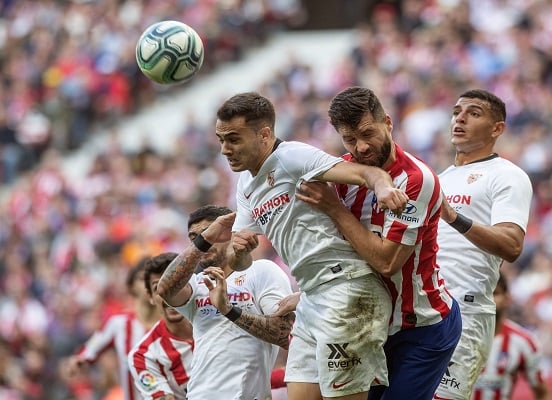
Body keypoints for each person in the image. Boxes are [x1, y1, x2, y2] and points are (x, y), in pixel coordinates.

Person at [212, 91, 409, 400]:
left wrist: (384, 188)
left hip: (347, 290)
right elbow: (240, 264)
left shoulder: (292, 157)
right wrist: (238, 250)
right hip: (311, 301)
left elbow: (367, 172)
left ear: (264, 134)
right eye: (221, 140)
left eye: (233, 139)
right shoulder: (247, 186)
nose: (225, 149)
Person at [294, 86, 462, 400]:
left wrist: (333, 207)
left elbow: (387, 261)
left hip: (421, 326)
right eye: (349, 139)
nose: (361, 147)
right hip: (369, 323)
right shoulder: (344, 175)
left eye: (367, 133)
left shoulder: (415, 180)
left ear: (387, 122)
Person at [434, 89, 534, 400]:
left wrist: (454, 217)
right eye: (456, 111)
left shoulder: (507, 175)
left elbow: (511, 244)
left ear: (497, 129)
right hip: (423, 309)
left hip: (465, 310)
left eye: (473, 113)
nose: (460, 118)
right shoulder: (440, 178)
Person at [156, 204, 294, 400]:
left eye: (209, 233)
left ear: (231, 233)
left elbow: (282, 333)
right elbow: (165, 289)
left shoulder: (263, 271)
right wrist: (206, 238)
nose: (204, 242)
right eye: (194, 238)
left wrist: (228, 310)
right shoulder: (196, 284)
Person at [64, 256, 161, 400]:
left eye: (154, 279)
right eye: (142, 279)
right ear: (131, 285)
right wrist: (79, 359)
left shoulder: (174, 319)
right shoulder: (119, 323)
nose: (148, 284)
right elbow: (92, 347)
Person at [473, 272, 551, 400]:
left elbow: (543, 393)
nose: (489, 300)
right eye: (485, 294)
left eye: (495, 293)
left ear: (507, 299)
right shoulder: (459, 335)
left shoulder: (524, 342)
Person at [128, 252, 194, 400]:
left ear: (192, 285)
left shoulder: (218, 322)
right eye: (158, 288)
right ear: (150, 296)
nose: (169, 294)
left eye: (176, 284)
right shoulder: (144, 355)